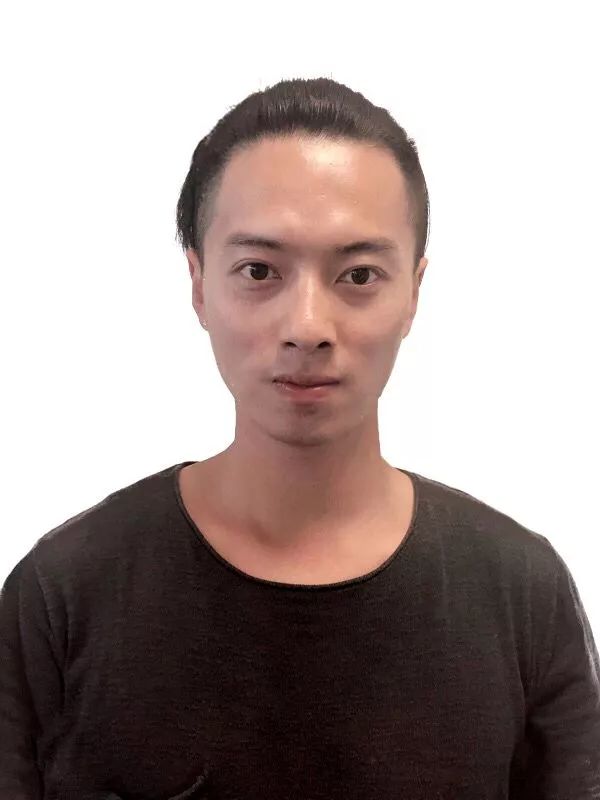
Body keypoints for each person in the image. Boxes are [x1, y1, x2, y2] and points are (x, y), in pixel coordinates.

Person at [1, 77, 599, 800]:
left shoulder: (523, 595)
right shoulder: (63, 595)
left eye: (359, 275)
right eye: (259, 271)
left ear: (414, 291)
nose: (308, 326)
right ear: (198, 283)